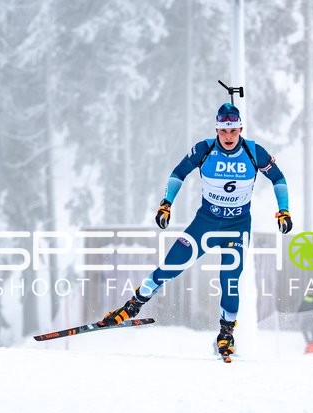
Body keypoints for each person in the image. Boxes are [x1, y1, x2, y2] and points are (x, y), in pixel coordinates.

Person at [101, 102, 293, 359]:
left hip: (237, 227)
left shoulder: (254, 152)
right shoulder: (204, 149)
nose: (228, 137)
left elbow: (278, 178)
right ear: (216, 129)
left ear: (240, 129)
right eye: (223, 131)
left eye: (233, 131)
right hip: (206, 222)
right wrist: (166, 203)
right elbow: (178, 173)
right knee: (171, 265)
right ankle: (133, 305)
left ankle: (226, 333)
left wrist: (284, 210)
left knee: (230, 281)